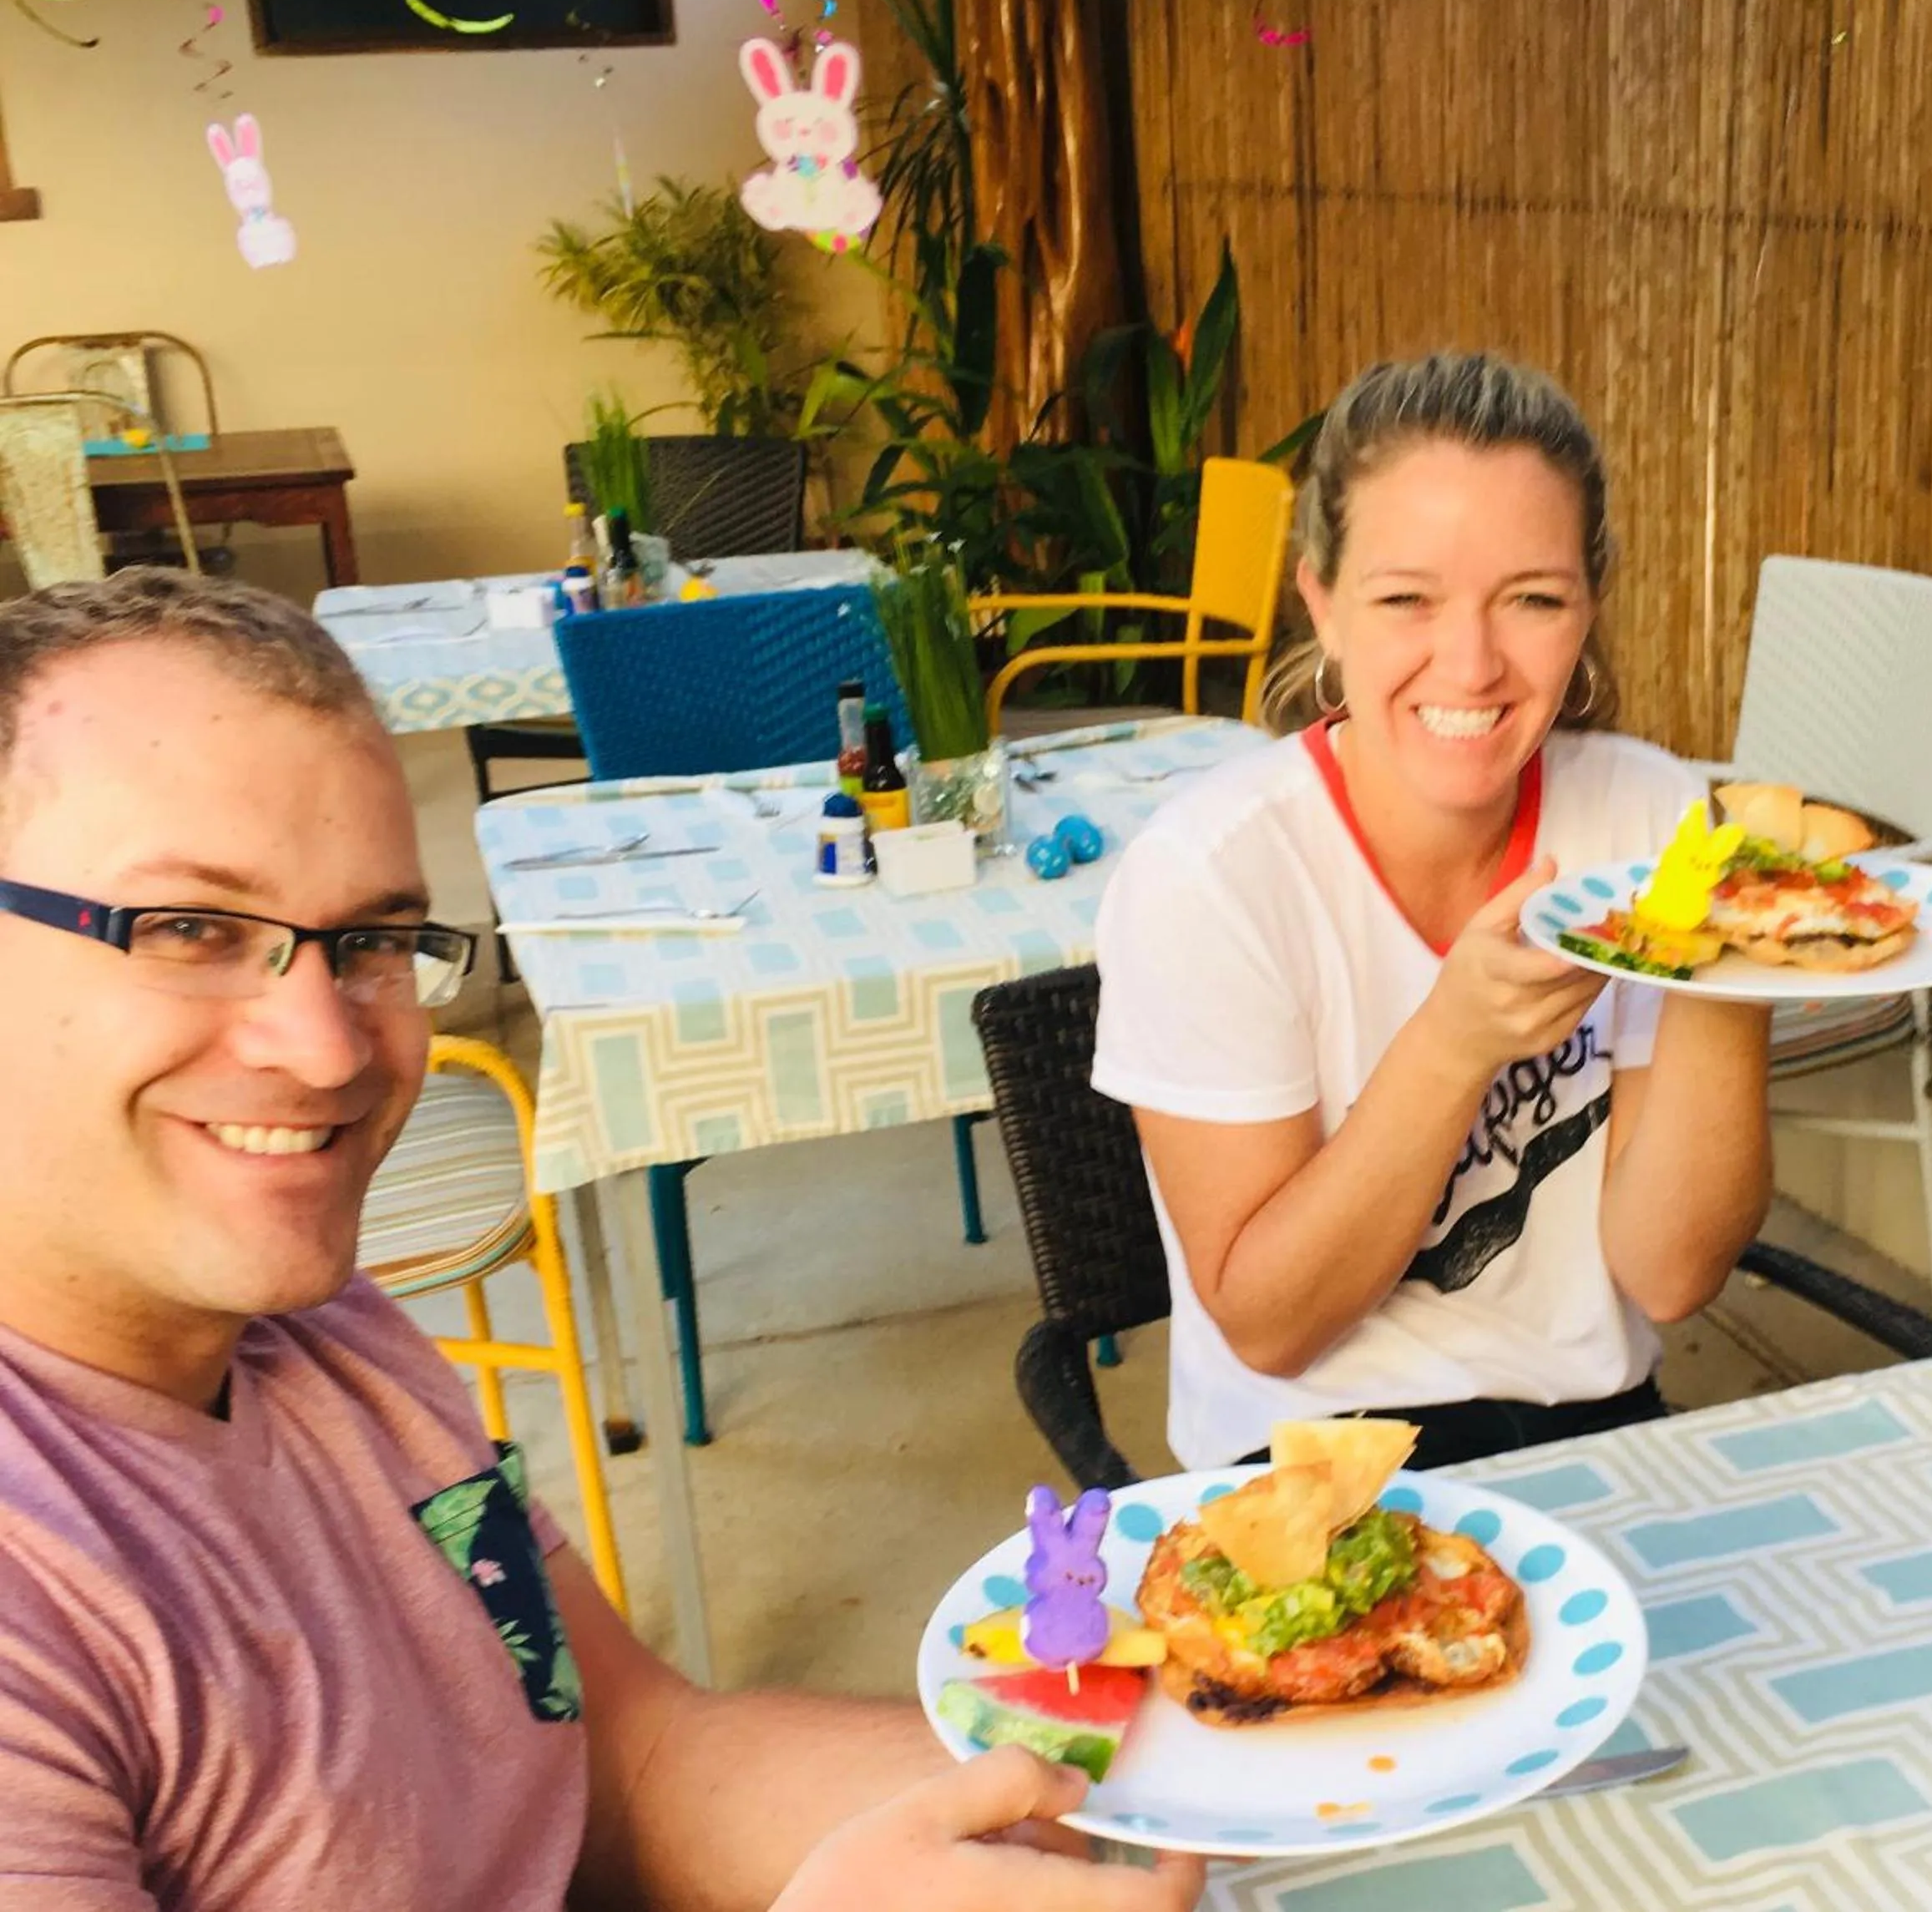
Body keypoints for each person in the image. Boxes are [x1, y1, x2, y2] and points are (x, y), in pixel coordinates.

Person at [0, 569, 1203, 1912]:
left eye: (372, 942)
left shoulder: (319, 1337)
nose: (327, 1045)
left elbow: (632, 1763)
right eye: (190, 929)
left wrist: (1124, 1794)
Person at [1092, 352, 1773, 1473]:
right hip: (1304, 1470)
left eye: (1534, 600)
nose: (1471, 663)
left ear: (1588, 604)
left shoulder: (1653, 821)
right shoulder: (1211, 877)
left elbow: (1669, 1274)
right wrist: (1455, 1044)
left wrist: (1737, 962)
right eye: (1406, 598)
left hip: (1594, 1443)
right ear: (1320, 597)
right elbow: (1272, 1326)